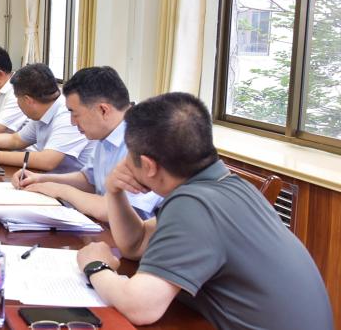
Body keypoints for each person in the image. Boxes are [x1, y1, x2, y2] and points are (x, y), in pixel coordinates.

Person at [76, 93, 332, 328]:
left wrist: (95, 265)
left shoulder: (193, 206)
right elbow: (137, 243)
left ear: (148, 165)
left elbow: (141, 307)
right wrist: (115, 192)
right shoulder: (226, 186)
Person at [11, 66, 161, 221]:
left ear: (103, 110)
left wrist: (61, 190)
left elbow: (114, 210)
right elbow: (89, 180)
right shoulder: (105, 134)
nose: (72, 122)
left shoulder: (143, 142)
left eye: (75, 114)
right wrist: (42, 179)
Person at [0, 63, 94, 174]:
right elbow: (16, 140)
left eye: (17, 99)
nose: (17, 103)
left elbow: (47, 160)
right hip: (48, 180)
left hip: (69, 193)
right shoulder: (44, 111)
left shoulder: (68, 115)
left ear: (28, 100)